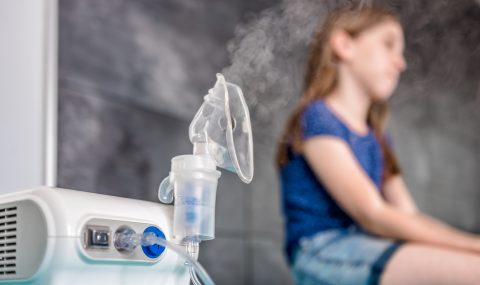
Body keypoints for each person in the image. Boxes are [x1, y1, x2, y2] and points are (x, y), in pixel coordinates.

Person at [276, 3, 480, 285]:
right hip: (322, 252)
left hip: (365, 247)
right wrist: (473, 245)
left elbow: (408, 216)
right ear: (344, 44)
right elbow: (373, 214)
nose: (401, 63)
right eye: (388, 44)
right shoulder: (317, 117)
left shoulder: (378, 138)